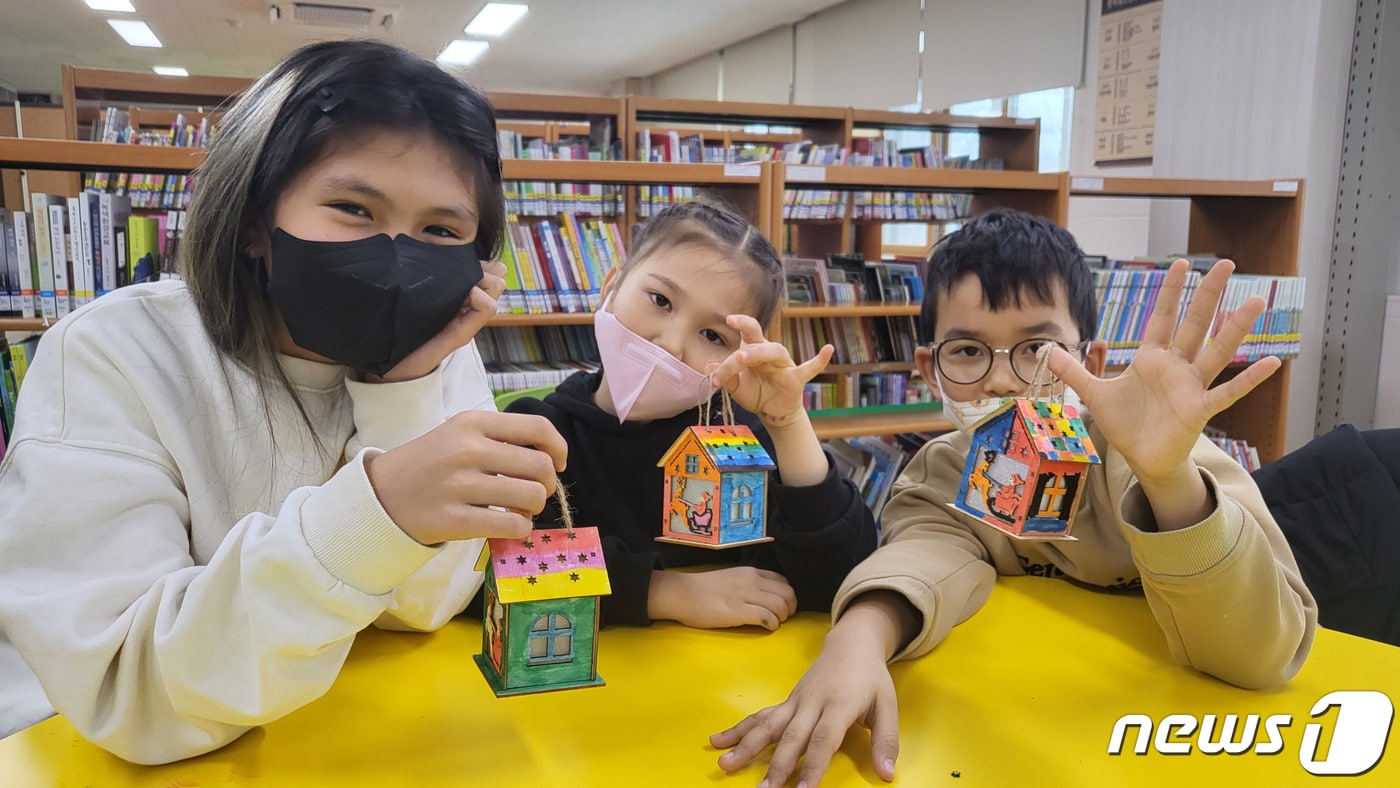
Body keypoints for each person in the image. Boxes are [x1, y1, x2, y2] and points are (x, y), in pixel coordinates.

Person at [0, 40, 566, 764]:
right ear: (255, 220)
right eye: (353, 208)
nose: (396, 257)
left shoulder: (442, 357)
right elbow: (131, 696)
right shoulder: (115, 350)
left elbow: (421, 609)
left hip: (337, 745)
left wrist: (402, 395)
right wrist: (380, 511)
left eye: (441, 232)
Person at [711, 208, 1318, 786]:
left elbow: (1260, 657)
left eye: (1037, 350)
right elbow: (923, 554)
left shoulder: (1160, 454)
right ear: (930, 368)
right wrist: (857, 640)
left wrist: (1167, 479)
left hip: (1179, 741)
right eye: (969, 351)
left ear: (1093, 361)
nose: (1004, 379)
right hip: (1016, 734)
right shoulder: (942, 472)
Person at [507, 200, 879, 630]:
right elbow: (507, 572)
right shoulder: (537, 432)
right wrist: (662, 591)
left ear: (741, 355)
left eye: (712, 335)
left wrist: (788, 423)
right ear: (611, 287)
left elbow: (839, 578)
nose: (670, 344)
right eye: (660, 300)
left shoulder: (740, 441)